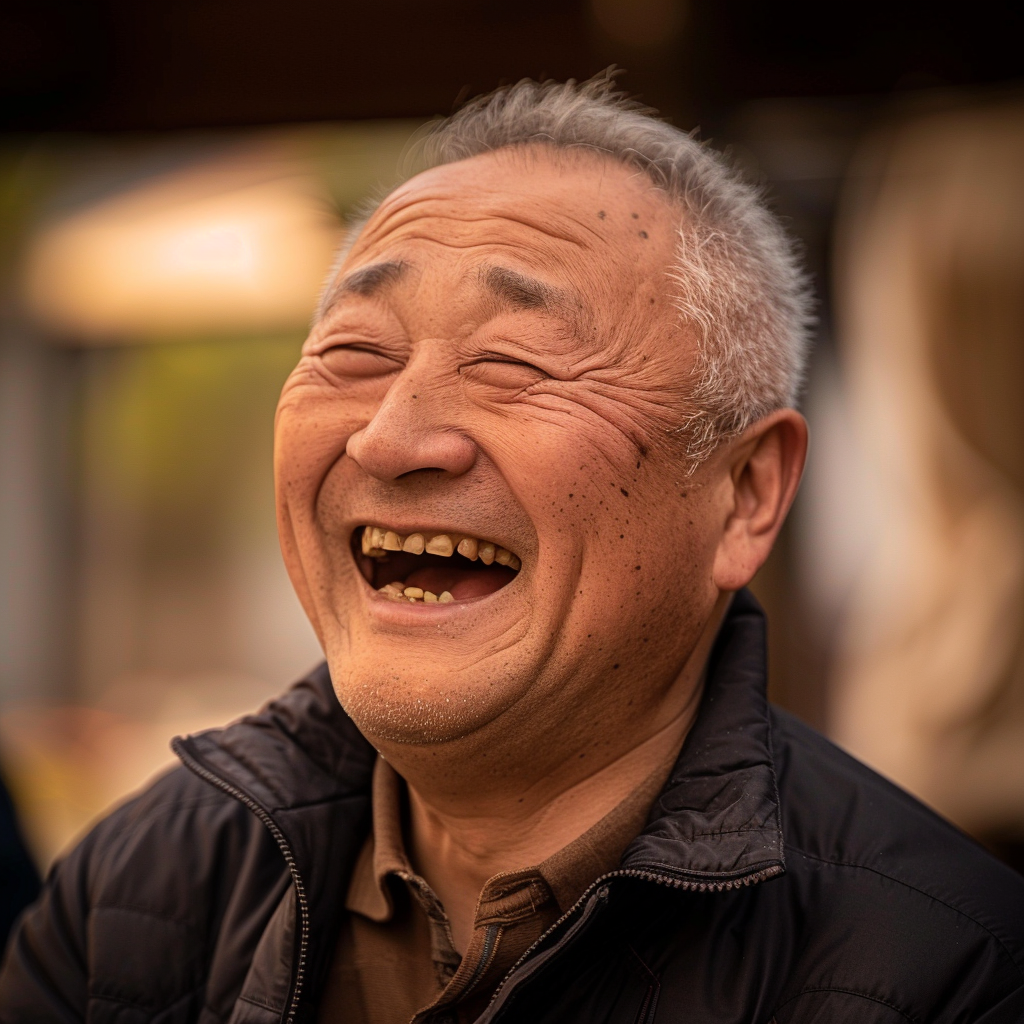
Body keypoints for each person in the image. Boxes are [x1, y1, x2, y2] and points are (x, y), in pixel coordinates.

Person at [2, 76, 1022, 1024]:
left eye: (512, 361)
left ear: (744, 493)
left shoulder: (941, 969)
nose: (392, 437)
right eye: (356, 352)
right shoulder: (135, 891)